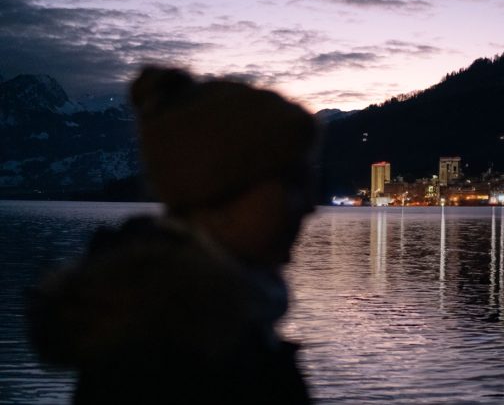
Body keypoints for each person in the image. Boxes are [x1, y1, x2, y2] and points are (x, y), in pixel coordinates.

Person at [26, 67, 318, 404]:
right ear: (218, 194)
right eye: (292, 182)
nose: (309, 206)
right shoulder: (161, 356)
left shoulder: (198, 315)